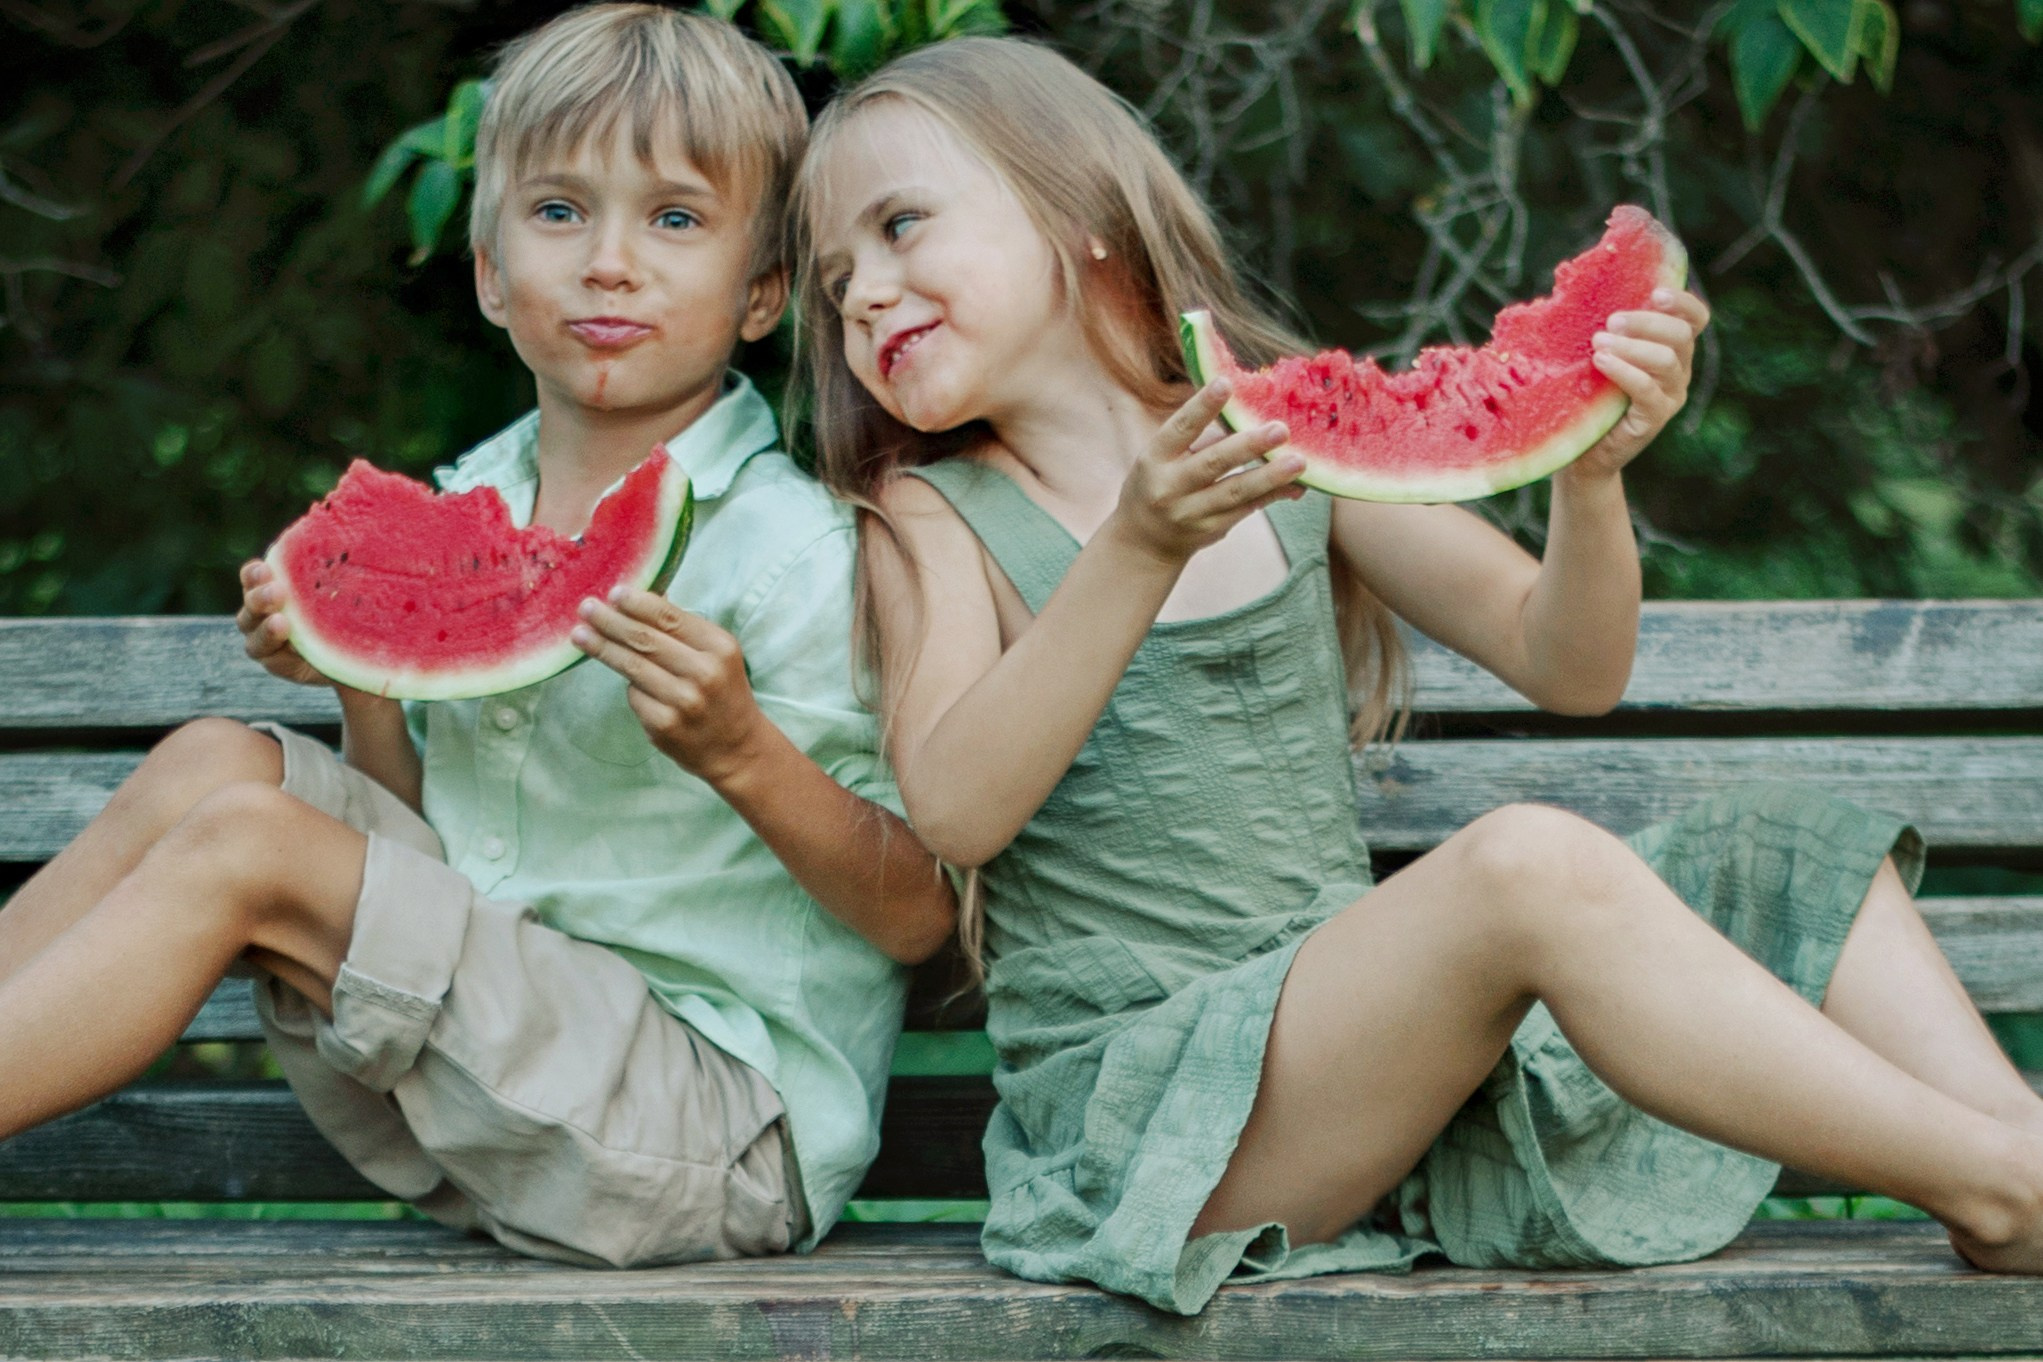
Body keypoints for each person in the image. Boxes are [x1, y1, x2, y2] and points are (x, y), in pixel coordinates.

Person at [792, 36, 2043, 1315]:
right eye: (837, 280)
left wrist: (1590, 480)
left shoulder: (1276, 449)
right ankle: (1996, 1180)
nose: (867, 295)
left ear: (1083, 214)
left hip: (1374, 1080)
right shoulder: (928, 516)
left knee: (1783, 841)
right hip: (1149, 1124)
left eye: (901, 228)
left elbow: (1569, 667)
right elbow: (955, 808)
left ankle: (2024, 1163)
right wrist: (1135, 548)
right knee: (1525, 867)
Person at [0, 3, 954, 1268]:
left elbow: (919, 921)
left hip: (710, 1133)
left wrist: (741, 752)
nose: (610, 261)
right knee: (217, 762)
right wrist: (366, 683)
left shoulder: (796, 553)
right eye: (560, 213)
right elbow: (436, 863)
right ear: (493, 274)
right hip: (484, 1091)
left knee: (246, 838)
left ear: (765, 291)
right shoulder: (471, 504)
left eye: (675, 219)